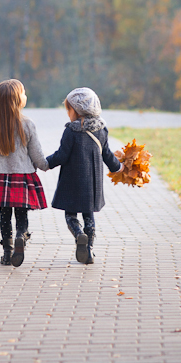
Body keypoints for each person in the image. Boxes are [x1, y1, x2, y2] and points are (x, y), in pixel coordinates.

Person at [0, 79, 49, 267]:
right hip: (22, 176)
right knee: (22, 214)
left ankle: (7, 254)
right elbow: (36, 154)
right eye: (23, 93)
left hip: (0, 177)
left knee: (4, 216)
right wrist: (46, 165)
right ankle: (21, 236)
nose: (25, 96)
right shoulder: (28, 123)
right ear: (18, 100)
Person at [45, 87, 121, 264]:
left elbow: (61, 155)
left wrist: (45, 163)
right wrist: (118, 167)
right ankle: (89, 250)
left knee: (70, 215)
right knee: (89, 216)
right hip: (92, 184)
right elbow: (107, 155)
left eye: (68, 109)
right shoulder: (101, 130)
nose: (67, 113)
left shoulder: (71, 131)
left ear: (77, 110)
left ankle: (79, 234)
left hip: (72, 181)